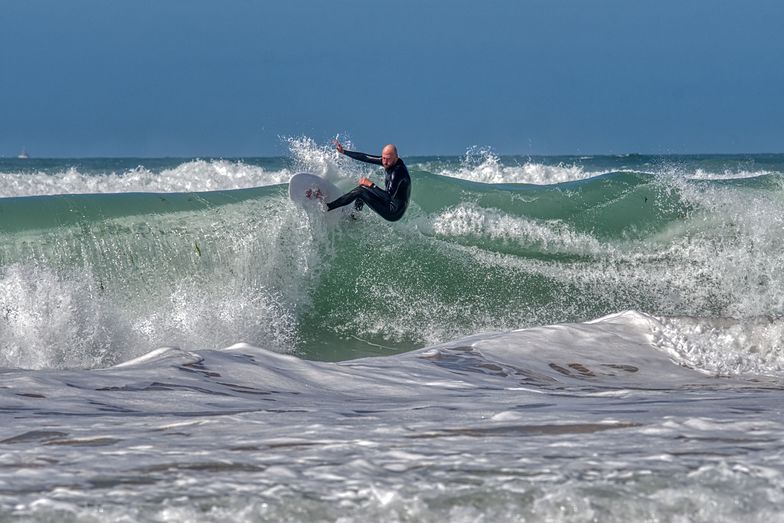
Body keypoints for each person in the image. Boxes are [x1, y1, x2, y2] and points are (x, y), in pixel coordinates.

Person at [327, 141, 411, 222]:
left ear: (396, 157)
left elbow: (388, 198)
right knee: (363, 188)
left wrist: (371, 184)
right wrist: (344, 151)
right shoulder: (388, 161)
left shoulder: (397, 172)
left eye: (388, 159)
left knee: (360, 191)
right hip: (389, 203)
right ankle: (354, 216)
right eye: (383, 158)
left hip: (393, 212)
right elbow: (366, 158)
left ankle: (328, 207)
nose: (384, 162)